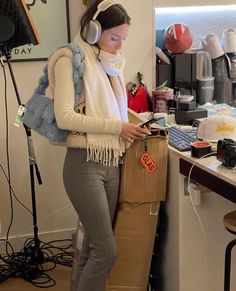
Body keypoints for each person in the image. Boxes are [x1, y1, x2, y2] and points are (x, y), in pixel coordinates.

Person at [48, 1, 151, 290]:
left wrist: (134, 125)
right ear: (94, 31)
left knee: (93, 247)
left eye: (123, 39)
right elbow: (65, 117)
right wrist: (119, 127)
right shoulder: (71, 60)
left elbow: (114, 112)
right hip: (84, 164)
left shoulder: (108, 65)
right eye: (113, 38)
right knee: (107, 251)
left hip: (110, 161)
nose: (119, 47)